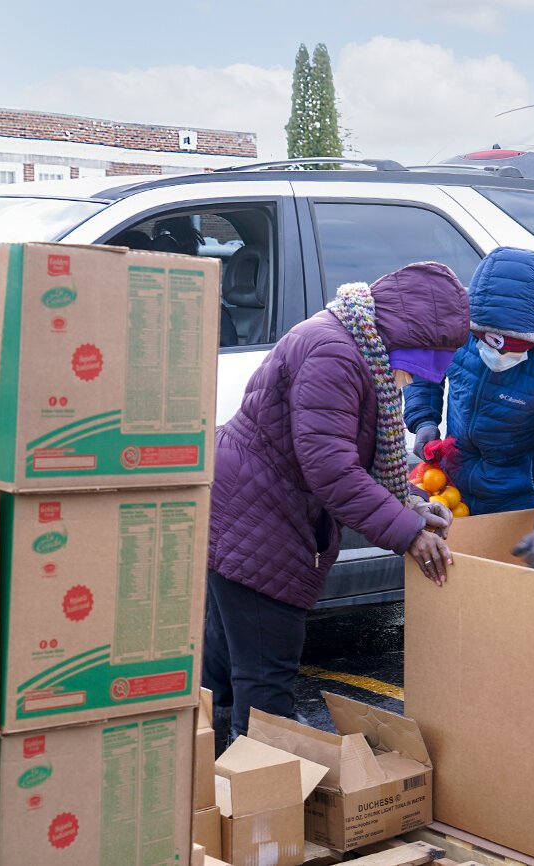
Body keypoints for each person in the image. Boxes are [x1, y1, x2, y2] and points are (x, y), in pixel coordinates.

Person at [203, 261, 470, 749]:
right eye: (412, 368)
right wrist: (408, 531)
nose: (409, 382)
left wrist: (410, 502)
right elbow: (331, 468)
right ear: (400, 339)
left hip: (245, 510)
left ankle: (207, 792)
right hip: (259, 523)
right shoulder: (335, 354)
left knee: (224, 667)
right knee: (266, 682)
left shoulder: (347, 340)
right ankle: (256, 806)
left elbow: (345, 451)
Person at [405, 247, 534, 570]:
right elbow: (424, 364)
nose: (495, 353)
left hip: (520, 500)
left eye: (511, 345)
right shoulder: (457, 320)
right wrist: (424, 418)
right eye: (486, 339)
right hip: (454, 492)